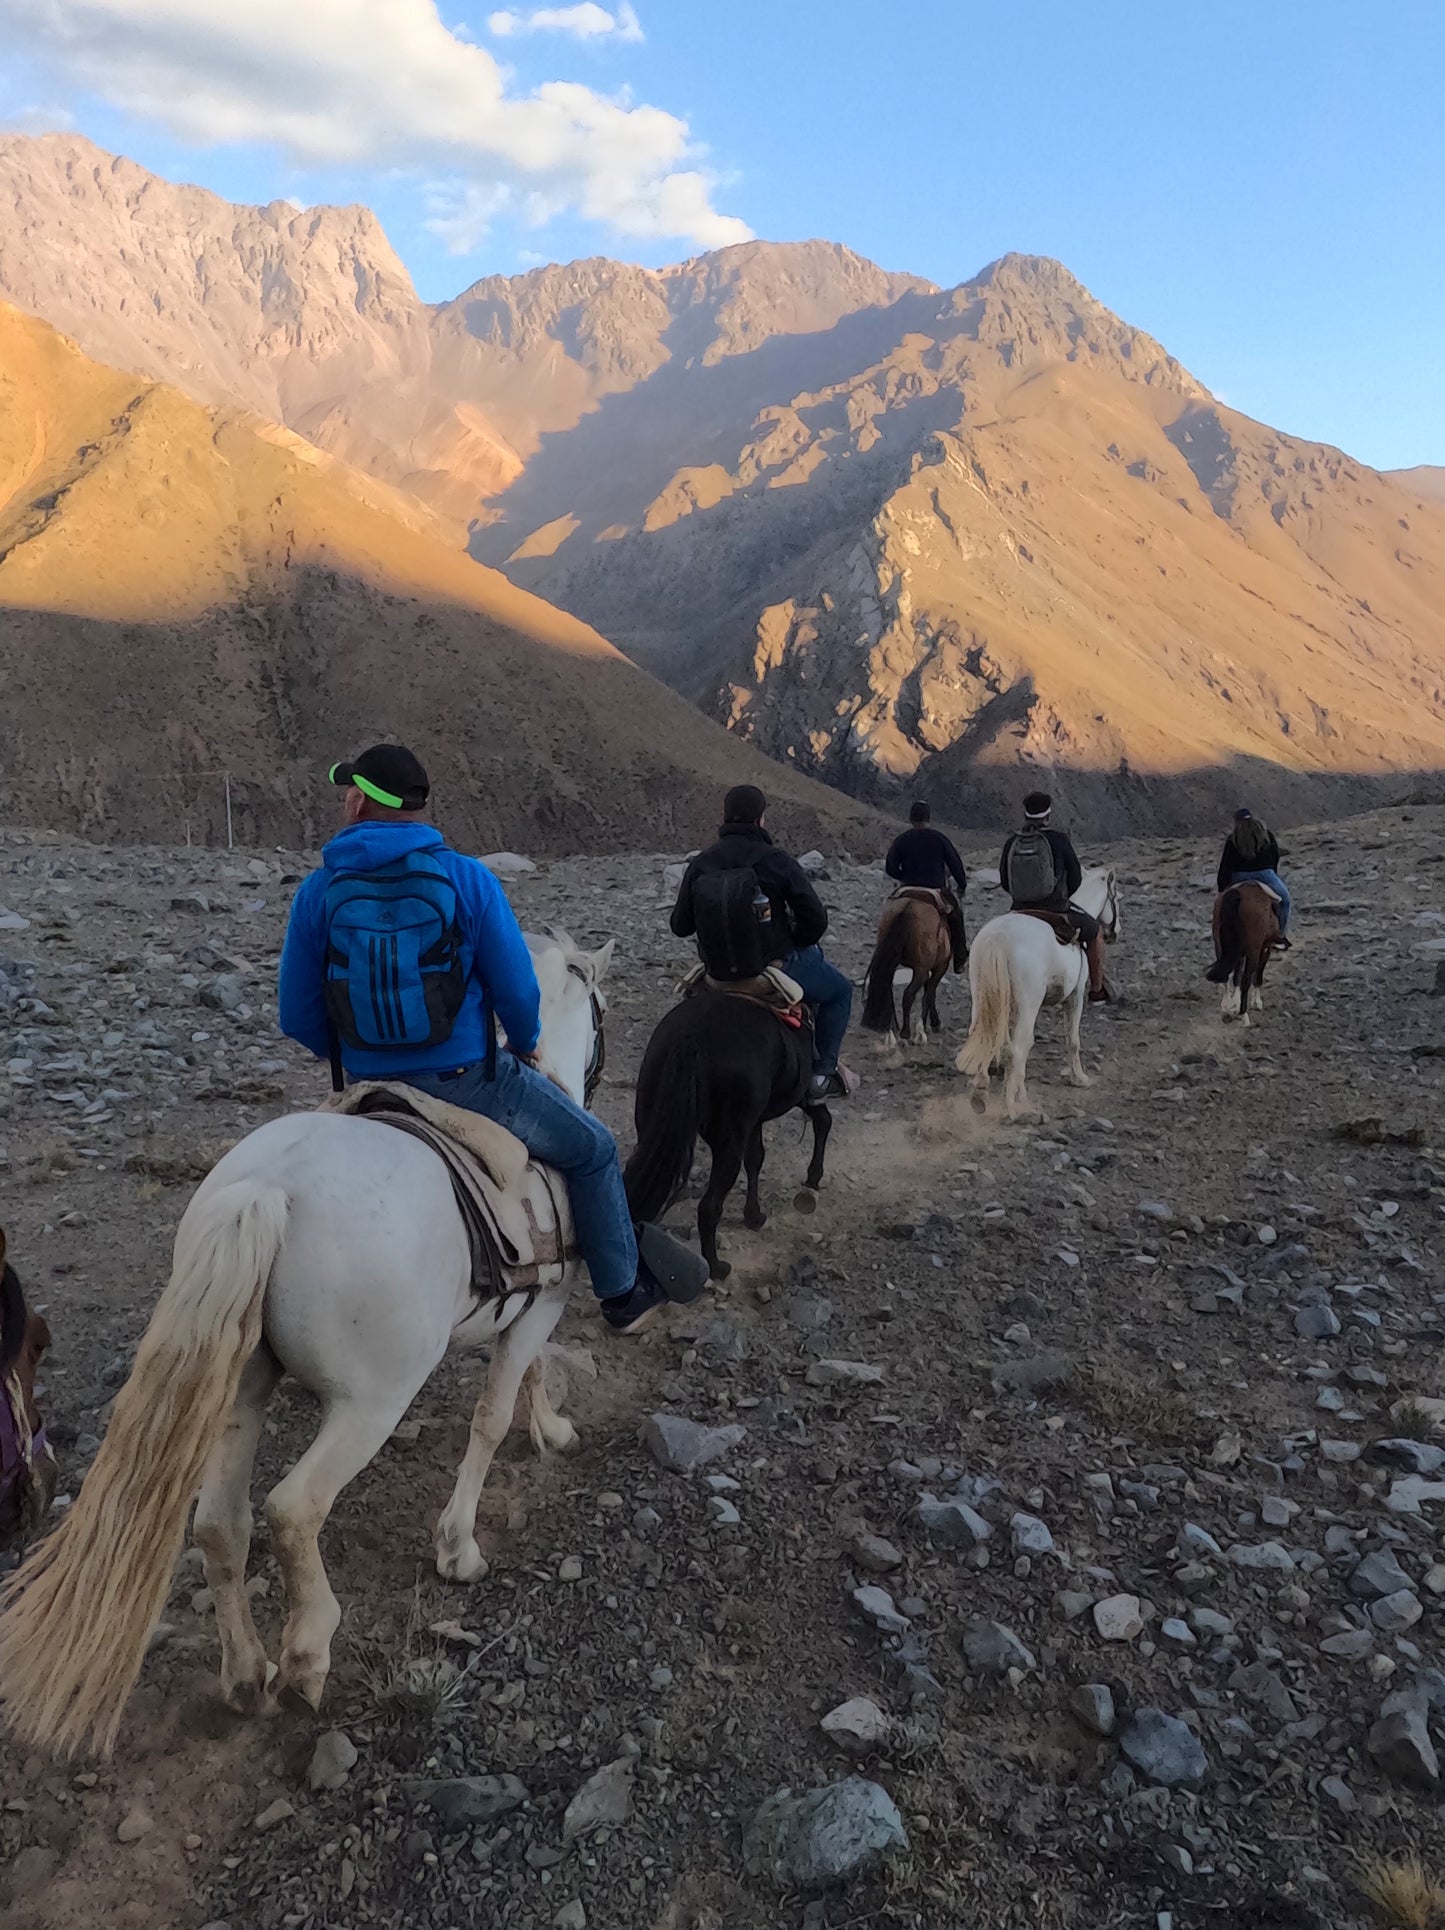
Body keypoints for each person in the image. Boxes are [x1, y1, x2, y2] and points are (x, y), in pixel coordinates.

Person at [278, 744, 706, 1334]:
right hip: (467, 1084)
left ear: (358, 803)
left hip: (367, 1084)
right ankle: (622, 1293)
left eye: (347, 791)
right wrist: (526, 1044)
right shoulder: (467, 878)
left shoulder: (318, 891)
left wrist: (356, 1058)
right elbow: (516, 989)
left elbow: (296, 1014)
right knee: (594, 1150)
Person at [671, 784, 855, 1103]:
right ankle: (822, 1075)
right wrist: (791, 942)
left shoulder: (702, 863)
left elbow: (680, 926)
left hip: (716, 974)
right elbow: (816, 920)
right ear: (761, 820)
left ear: (725, 817)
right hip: (774, 967)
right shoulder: (776, 861)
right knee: (840, 991)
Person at [999, 791, 1112, 1002]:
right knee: (1095, 931)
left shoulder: (1012, 842)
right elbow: (1076, 877)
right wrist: (1061, 897)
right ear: (1047, 817)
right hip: (1055, 908)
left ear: (1026, 816)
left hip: (1019, 908)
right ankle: (1097, 989)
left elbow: (1005, 881)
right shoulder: (1059, 840)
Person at [885, 801, 968, 971]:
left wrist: (905, 877)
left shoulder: (901, 840)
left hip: (907, 887)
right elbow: (955, 865)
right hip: (934, 889)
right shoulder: (939, 839)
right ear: (928, 818)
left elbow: (890, 868)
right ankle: (960, 958)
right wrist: (962, 885)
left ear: (910, 818)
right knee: (956, 916)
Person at [1217, 807, 1292, 944]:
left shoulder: (1233, 838)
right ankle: (1280, 936)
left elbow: (1226, 864)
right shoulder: (1266, 834)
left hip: (1238, 876)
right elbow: (1274, 857)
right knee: (1286, 901)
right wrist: (1272, 874)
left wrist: (1222, 887)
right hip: (1265, 875)